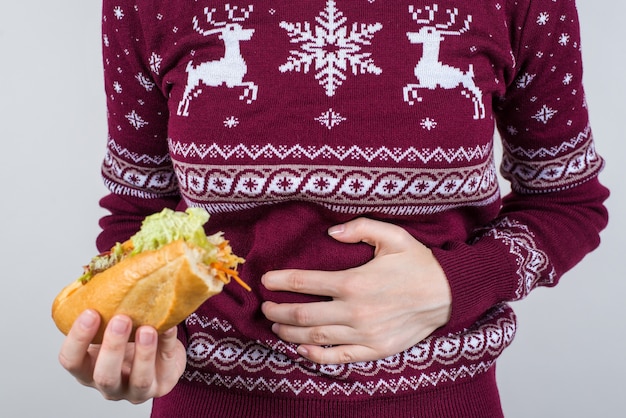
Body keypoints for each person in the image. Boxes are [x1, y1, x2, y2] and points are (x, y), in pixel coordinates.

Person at [58, 1, 609, 417]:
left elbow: (568, 200)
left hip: (441, 401)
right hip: (205, 398)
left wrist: (456, 282)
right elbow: (138, 213)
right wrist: (139, 335)